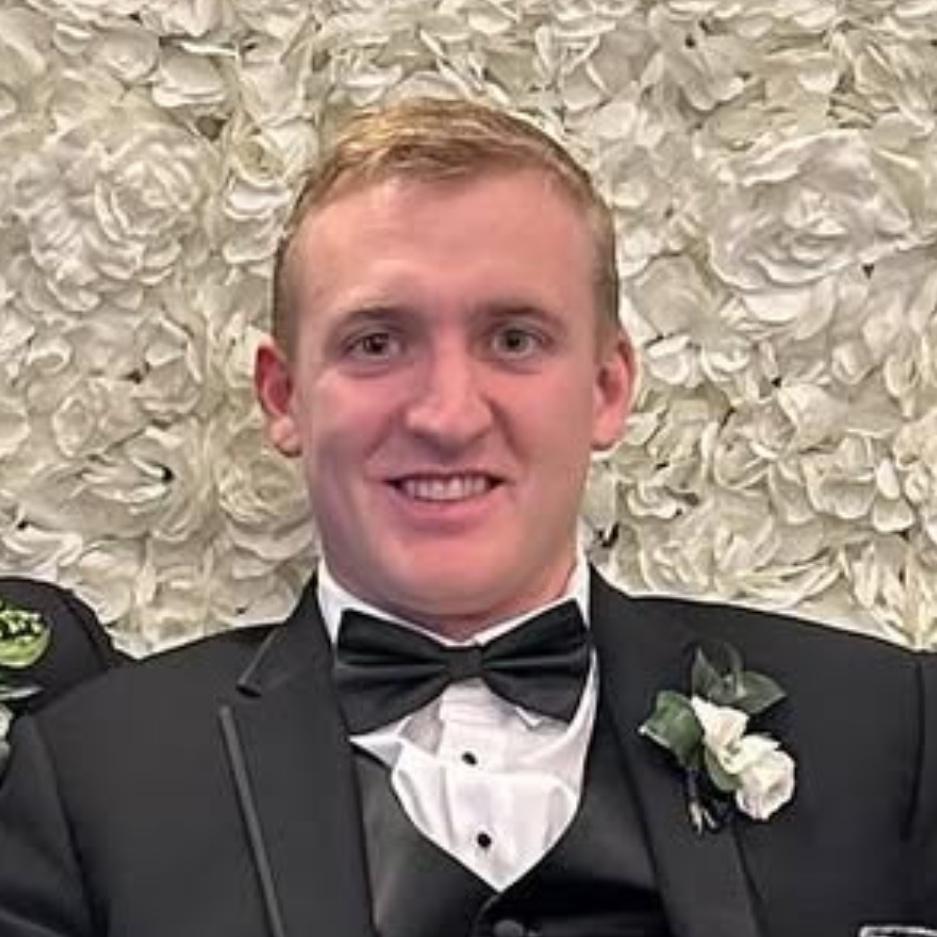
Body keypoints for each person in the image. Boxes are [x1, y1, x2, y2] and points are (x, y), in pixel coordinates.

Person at [0, 97, 935, 937]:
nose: (447, 415)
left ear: (607, 387)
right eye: (376, 342)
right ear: (283, 397)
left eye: (514, 338)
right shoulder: (91, 782)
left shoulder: (886, 731)